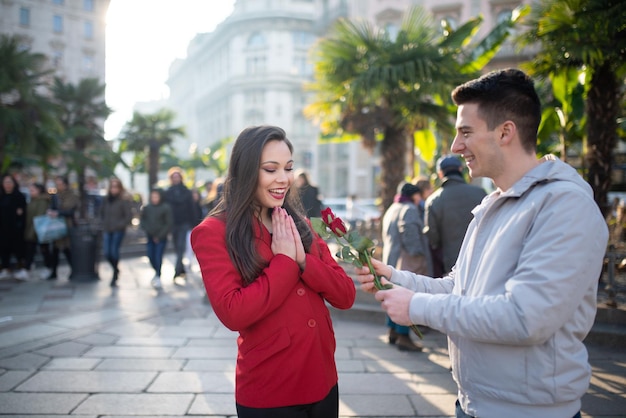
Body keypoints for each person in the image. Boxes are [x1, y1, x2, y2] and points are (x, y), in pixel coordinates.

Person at [355, 68, 609, 418]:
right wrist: (397, 279)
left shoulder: (564, 205)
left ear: (506, 132)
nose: (456, 147)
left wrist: (415, 306)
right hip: (473, 404)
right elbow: (458, 288)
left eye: (465, 133)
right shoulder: (493, 204)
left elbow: (525, 317)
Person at [191, 125, 356, 418]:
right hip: (270, 390)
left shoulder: (300, 222)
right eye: (271, 169)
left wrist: (304, 261)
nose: (284, 179)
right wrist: (285, 262)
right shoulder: (213, 232)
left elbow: (345, 295)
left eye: (288, 168)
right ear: (245, 172)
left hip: (324, 379)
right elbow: (233, 312)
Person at [380, 182, 432, 352]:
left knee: (392, 295)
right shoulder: (409, 209)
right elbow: (410, 234)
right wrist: (418, 252)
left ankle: (393, 331)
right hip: (406, 262)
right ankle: (404, 336)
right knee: (404, 297)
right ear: (414, 195)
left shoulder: (393, 208)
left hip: (392, 259)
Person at [423, 154, 486, 276]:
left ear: (440, 174)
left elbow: (433, 238)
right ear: (460, 170)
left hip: (451, 266)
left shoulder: (433, 200)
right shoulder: (480, 193)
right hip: (481, 261)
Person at [99, 177, 133, 287]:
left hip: (118, 230)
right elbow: (101, 212)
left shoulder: (123, 200)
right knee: (107, 252)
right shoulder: (106, 199)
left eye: (116, 187)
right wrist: (102, 223)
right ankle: (115, 269)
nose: (114, 189)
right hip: (107, 229)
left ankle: (114, 274)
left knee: (114, 251)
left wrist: (120, 225)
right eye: (112, 187)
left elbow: (128, 216)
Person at [164, 167, 195, 284]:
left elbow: (191, 208)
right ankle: (182, 270)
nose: (176, 179)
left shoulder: (187, 192)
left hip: (184, 223)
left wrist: (193, 223)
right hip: (173, 224)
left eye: (177, 176)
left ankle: (177, 271)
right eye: (174, 177)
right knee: (177, 247)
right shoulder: (168, 193)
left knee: (181, 247)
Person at [46, 176, 79, 281]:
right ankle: (54, 272)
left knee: (66, 249)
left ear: (65, 184)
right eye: (57, 184)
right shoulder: (55, 196)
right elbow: (52, 206)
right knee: (55, 249)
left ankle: (74, 270)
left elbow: (69, 209)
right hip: (56, 225)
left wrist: (57, 212)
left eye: (60, 184)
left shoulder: (71, 195)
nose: (58, 186)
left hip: (67, 225)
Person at [140, 188, 173, 289]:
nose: (154, 199)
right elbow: (143, 220)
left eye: (156, 196)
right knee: (150, 255)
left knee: (158, 256)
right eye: (153, 196)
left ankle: (158, 275)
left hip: (161, 237)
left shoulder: (165, 208)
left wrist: (159, 236)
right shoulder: (147, 207)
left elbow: (168, 223)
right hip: (150, 236)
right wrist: (148, 230)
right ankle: (156, 271)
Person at [0, 173, 28, 280]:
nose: (7, 185)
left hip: (16, 229)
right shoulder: (1, 196)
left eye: (9, 182)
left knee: (19, 249)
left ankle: (22, 268)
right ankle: (6, 268)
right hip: (3, 228)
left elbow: (23, 212)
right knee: (4, 249)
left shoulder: (19, 196)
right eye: (5, 182)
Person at [24, 183, 52, 279]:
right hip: (32, 229)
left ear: (39, 190)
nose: (30, 192)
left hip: (39, 230)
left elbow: (39, 218)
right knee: (31, 250)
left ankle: (48, 268)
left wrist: (32, 231)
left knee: (44, 250)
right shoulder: (32, 200)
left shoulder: (42, 201)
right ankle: (28, 269)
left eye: (32, 190)